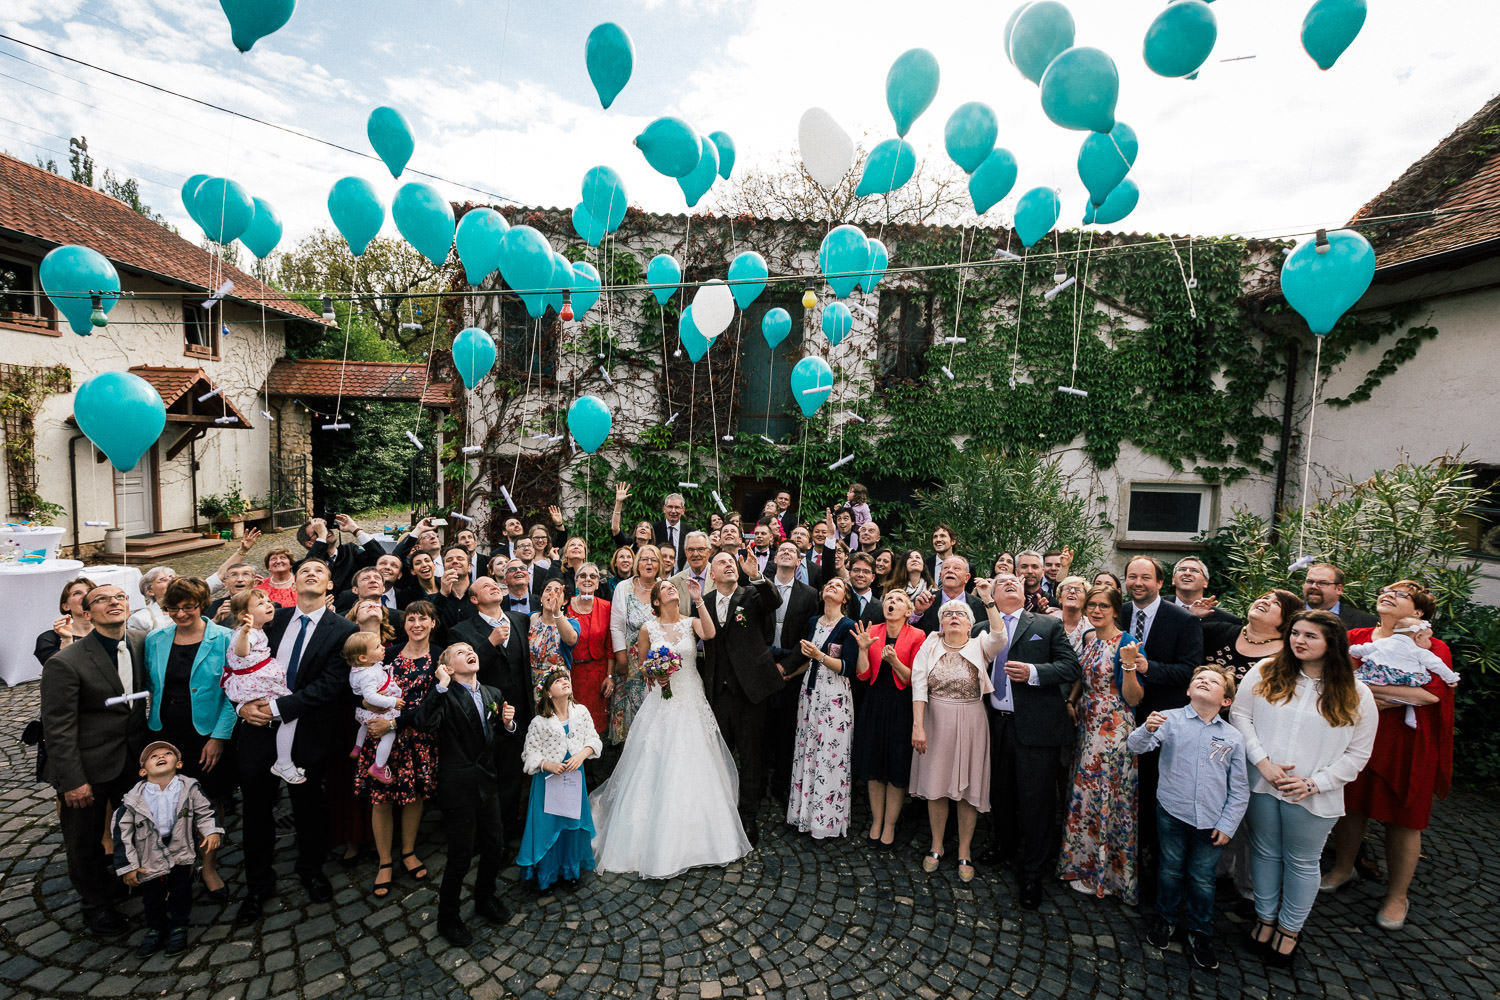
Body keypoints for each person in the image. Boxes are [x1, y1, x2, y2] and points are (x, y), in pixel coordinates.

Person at [1230, 610, 1377, 966]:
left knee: (1302, 861)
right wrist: (1262, 761)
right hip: (1264, 782)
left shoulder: (1356, 692)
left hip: (1313, 794)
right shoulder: (1265, 670)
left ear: (1332, 644)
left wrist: (1316, 782)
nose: (1299, 640)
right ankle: (1265, 919)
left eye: (1310, 636)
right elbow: (1240, 715)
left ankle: (1290, 929)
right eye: (1295, 633)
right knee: (1263, 851)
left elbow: (1359, 753)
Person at [593, 576, 754, 875]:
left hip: (691, 698)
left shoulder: (691, 621)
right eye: (665, 588)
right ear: (655, 601)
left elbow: (710, 633)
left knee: (695, 761)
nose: (671, 589)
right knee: (656, 760)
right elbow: (641, 664)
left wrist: (698, 599)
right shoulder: (647, 628)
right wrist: (655, 672)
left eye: (672, 587)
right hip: (661, 702)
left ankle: (701, 837)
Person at [231, 558, 359, 927]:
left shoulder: (343, 630)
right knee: (256, 808)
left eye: (319, 571)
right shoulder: (274, 618)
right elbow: (239, 663)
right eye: (305, 570)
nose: (311, 573)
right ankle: (257, 884)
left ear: (330, 585)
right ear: (294, 582)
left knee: (308, 806)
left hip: (307, 733)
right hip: (257, 730)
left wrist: (276, 708)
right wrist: (242, 707)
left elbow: (332, 685)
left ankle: (311, 868)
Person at [1325, 580, 1456, 933]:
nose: (1388, 594)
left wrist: (1364, 690)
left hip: (1406, 744)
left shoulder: (1434, 647)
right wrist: (1390, 694)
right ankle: (1342, 868)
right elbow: (1334, 679)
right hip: (1354, 735)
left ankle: (1398, 895)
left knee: (1404, 818)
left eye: (1401, 595)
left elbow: (1430, 695)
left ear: (1418, 613)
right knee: (1349, 805)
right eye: (1385, 590)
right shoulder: (1356, 636)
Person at [39, 582, 148, 938]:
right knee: (84, 842)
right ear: (87, 613)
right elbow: (57, 728)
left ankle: (129, 883)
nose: (113, 602)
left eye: (120, 597)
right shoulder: (65, 662)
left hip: (132, 761)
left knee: (134, 830)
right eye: (102, 599)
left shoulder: (139, 642)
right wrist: (72, 781)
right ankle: (96, 908)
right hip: (89, 766)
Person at [1128, 667, 1250, 972]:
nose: (1204, 681)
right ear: (1187, 690)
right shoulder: (1169, 719)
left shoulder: (1233, 737)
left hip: (1211, 820)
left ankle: (1200, 930)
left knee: (1202, 878)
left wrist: (1227, 825)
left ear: (1226, 700)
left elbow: (1240, 788)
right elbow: (1136, 746)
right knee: (1169, 868)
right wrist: (1147, 729)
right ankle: (1165, 918)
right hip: (1172, 812)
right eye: (1199, 678)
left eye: (1214, 681)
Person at [977, 573, 1082, 909]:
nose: (1009, 583)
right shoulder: (980, 628)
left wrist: (1035, 674)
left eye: (1015, 581)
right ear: (991, 593)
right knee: (1001, 792)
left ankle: (1032, 872)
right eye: (1001, 581)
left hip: (1036, 729)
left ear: (1024, 592)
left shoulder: (1047, 625)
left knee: (1036, 801)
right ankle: (1003, 846)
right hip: (994, 724)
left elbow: (1071, 667)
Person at [410, 643, 517, 946]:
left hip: (487, 782)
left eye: (471, 649)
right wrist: (441, 686)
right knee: (460, 855)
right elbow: (423, 723)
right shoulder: (444, 695)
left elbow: (495, 736)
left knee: (495, 845)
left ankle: (485, 898)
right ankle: (448, 919)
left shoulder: (492, 694)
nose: (469, 652)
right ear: (448, 667)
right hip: (457, 784)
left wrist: (508, 724)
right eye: (459, 652)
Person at [910, 586, 1009, 883]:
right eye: (948, 614)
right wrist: (918, 725)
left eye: (961, 614)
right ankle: (937, 845)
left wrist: (989, 600)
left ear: (969, 622)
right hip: (935, 719)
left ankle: (965, 850)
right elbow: (918, 683)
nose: (954, 617)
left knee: (968, 789)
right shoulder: (931, 642)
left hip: (971, 720)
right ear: (940, 622)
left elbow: (1000, 636)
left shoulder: (981, 644)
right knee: (936, 784)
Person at [144, 577, 236, 899]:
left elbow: (233, 693)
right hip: (165, 732)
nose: (181, 614)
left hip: (207, 734)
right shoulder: (155, 639)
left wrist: (219, 737)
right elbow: (152, 688)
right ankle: (175, 862)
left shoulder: (225, 638)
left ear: (203, 604)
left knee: (210, 801)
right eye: (173, 608)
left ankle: (209, 866)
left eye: (189, 607)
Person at [1120, 555, 1203, 905]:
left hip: (1161, 719)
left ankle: (1153, 872)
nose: (1138, 583)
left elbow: (1190, 670)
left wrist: (1148, 666)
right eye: (1132, 576)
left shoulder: (1182, 621)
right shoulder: (1119, 612)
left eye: (1145, 577)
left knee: (1154, 793)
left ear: (1159, 582)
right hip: (1118, 716)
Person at [1058, 585, 1143, 901]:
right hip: (1087, 721)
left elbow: (1134, 697)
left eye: (1103, 606)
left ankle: (1104, 875)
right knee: (1083, 793)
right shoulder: (1089, 638)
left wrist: (1131, 665)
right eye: (1091, 604)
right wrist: (1072, 698)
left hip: (1114, 726)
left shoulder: (1128, 643)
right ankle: (1080, 864)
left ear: (1116, 610)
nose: (1095, 610)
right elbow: (1083, 674)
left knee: (1106, 795)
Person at [356, 600, 440, 899]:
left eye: (423, 619)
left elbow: (434, 705)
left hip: (416, 738)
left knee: (413, 797)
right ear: (404, 625)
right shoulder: (387, 655)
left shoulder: (439, 658)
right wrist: (366, 705)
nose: (416, 624)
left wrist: (395, 723)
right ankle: (384, 861)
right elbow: (362, 686)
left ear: (433, 623)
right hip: (380, 739)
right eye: (411, 619)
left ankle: (408, 851)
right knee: (381, 800)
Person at [702, 550, 785, 846]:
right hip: (718, 692)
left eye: (730, 561)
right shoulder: (705, 601)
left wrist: (757, 576)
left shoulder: (752, 594)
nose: (727, 565)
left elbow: (774, 601)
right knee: (720, 755)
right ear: (711, 574)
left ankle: (748, 814)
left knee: (752, 756)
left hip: (751, 691)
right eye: (721, 562)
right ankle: (720, 811)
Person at [112, 741, 222, 957]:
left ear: (178, 763)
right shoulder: (133, 799)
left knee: (181, 891)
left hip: (180, 851)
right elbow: (121, 832)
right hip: (148, 857)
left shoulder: (189, 788)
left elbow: (205, 811)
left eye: (168, 753)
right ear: (143, 770)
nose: (161, 756)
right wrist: (128, 867)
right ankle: (156, 928)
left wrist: (212, 831)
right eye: (153, 756)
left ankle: (179, 926)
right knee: (152, 897)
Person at [787, 577, 860, 839]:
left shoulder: (848, 626)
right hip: (810, 693)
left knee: (829, 757)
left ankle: (825, 822)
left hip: (834, 699)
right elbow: (808, 661)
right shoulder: (812, 623)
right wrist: (791, 674)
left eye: (838, 586)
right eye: (829, 585)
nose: (832, 587)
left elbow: (848, 667)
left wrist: (819, 655)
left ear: (846, 598)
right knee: (807, 751)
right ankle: (803, 815)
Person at [518, 667, 603, 891]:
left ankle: (570, 870)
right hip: (548, 781)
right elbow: (529, 753)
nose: (565, 682)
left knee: (572, 823)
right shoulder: (539, 722)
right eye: (558, 681)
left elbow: (594, 739)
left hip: (574, 777)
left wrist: (582, 755)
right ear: (547, 692)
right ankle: (547, 873)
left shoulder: (581, 712)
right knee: (549, 825)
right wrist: (547, 765)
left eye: (566, 678)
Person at [851, 591, 923, 850]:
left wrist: (894, 661)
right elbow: (862, 675)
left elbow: (912, 679)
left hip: (900, 706)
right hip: (874, 703)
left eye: (898, 600)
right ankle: (876, 821)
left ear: (907, 610)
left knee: (894, 768)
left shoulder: (917, 635)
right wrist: (862, 649)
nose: (891, 602)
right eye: (888, 599)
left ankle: (890, 825)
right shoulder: (873, 631)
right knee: (873, 767)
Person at [223, 588, 301, 784]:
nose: (268, 605)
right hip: (257, 685)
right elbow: (242, 651)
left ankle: (283, 761)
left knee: (287, 715)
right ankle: (283, 762)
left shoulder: (258, 630)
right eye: (260, 603)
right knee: (289, 714)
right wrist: (245, 632)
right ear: (244, 615)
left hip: (258, 680)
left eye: (268, 600)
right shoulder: (246, 632)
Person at [607, 545, 663, 745]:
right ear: (637, 564)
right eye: (644, 559)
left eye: (654, 559)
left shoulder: (664, 586)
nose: (649, 563)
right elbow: (616, 626)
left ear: (660, 564)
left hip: (658, 662)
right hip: (630, 664)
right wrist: (621, 658)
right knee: (632, 714)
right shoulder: (625, 587)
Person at [1202, 589, 1303, 685]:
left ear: (1289, 618)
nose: (1265, 602)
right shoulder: (1217, 630)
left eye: (1277, 603)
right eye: (1265, 597)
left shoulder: (1287, 657)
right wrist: (1194, 616)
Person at [345, 632, 402, 784]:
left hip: (363, 713)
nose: (383, 648)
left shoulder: (362, 667)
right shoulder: (368, 674)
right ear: (363, 657)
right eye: (378, 647)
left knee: (364, 726)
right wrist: (392, 701)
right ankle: (378, 766)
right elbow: (370, 697)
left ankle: (357, 747)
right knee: (389, 734)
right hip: (372, 710)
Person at [566, 563, 613, 731]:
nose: (588, 579)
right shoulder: (566, 607)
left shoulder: (606, 607)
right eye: (583, 576)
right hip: (571, 675)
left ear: (598, 583)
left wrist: (609, 675)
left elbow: (610, 646)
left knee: (595, 726)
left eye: (593, 576)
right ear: (576, 581)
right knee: (571, 722)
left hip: (597, 676)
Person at [528, 579, 579, 694]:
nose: (551, 593)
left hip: (558, 684)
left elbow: (571, 640)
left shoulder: (571, 623)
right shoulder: (530, 619)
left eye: (557, 591)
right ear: (541, 597)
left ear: (565, 601)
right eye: (548, 590)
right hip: (531, 683)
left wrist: (556, 612)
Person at [35, 576, 97, 668]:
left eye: (90, 591)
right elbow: (58, 670)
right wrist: (66, 640)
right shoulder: (49, 639)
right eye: (77, 593)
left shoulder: (111, 632)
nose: (86, 595)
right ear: (66, 606)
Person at [913, 556, 984, 633]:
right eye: (946, 568)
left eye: (956, 568)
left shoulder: (980, 605)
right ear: (940, 576)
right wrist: (917, 612)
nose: (950, 571)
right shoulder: (924, 600)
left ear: (967, 577)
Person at [1301, 562, 1378, 628]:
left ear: (1339, 589)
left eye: (1322, 583)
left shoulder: (1367, 622)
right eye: (1310, 581)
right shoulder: (1290, 613)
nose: (1313, 586)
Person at [1169, 557, 1240, 626]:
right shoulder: (1159, 606)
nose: (1187, 573)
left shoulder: (1227, 620)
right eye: (1182, 569)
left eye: (1194, 570)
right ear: (1173, 580)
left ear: (1205, 582)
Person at [1050, 575, 1095, 654]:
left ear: (1086, 600)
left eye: (1078, 590)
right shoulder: (1047, 620)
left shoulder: (1091, 627)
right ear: (1059, 599)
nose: (1072, 591)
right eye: (1067, 589)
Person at [652, 490, 694, 573]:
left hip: (682, 578)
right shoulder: (654, 529)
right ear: (664, 509)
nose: (673, 511)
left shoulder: (690, 533)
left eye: (677, 507)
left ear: (683, 510)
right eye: (670, 507)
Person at [128, 566, 176, 632]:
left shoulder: (193, 606)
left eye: (172, 577)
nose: (171, 581)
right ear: (150, 591)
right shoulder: (140, 619)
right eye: (163, 579)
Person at [846, 552, 883, 624]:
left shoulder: (881, 608)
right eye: (856, 570)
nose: (860, 575)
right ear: (850, 573)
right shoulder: (840, 599)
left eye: (866, 572)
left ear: (873, 577)